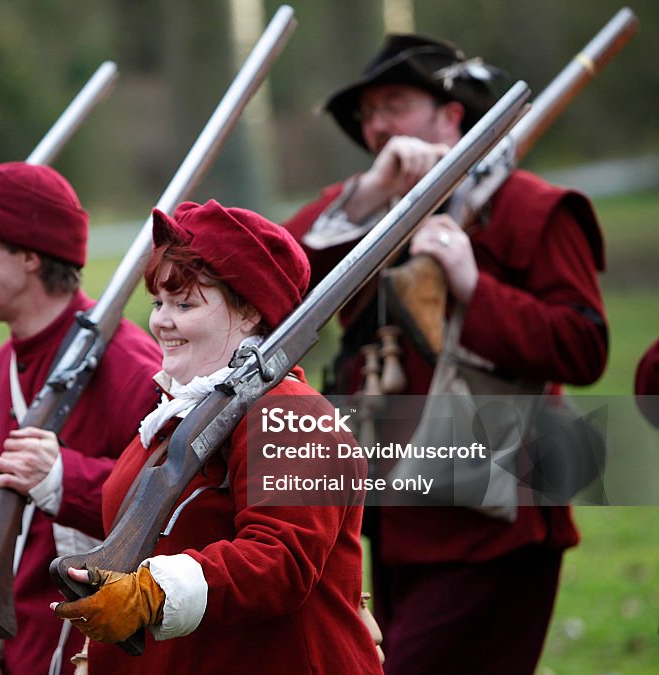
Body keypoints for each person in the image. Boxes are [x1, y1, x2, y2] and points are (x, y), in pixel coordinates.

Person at [283, 35, 608, 674]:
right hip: (396, 513)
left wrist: (473, 288)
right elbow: (276, 283)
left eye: (395, 105)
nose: (377, 126)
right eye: (368, 114)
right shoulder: (369, 212)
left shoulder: (533, 209)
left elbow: (583, 344)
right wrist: (367, 194)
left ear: (453, 115)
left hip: (498, 517)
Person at [51, 200, 384, 674]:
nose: (161, 321)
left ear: (249, 311)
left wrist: (153, 594)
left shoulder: (292, 411)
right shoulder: (177, 412)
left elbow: (282, 558)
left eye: (184, 303)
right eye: (159, 302)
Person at [0, 161, 162, 675]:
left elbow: (175, 511)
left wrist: (65, 479)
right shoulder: (1, 366)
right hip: (22, 648)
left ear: (29, 256)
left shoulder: (130, 367)